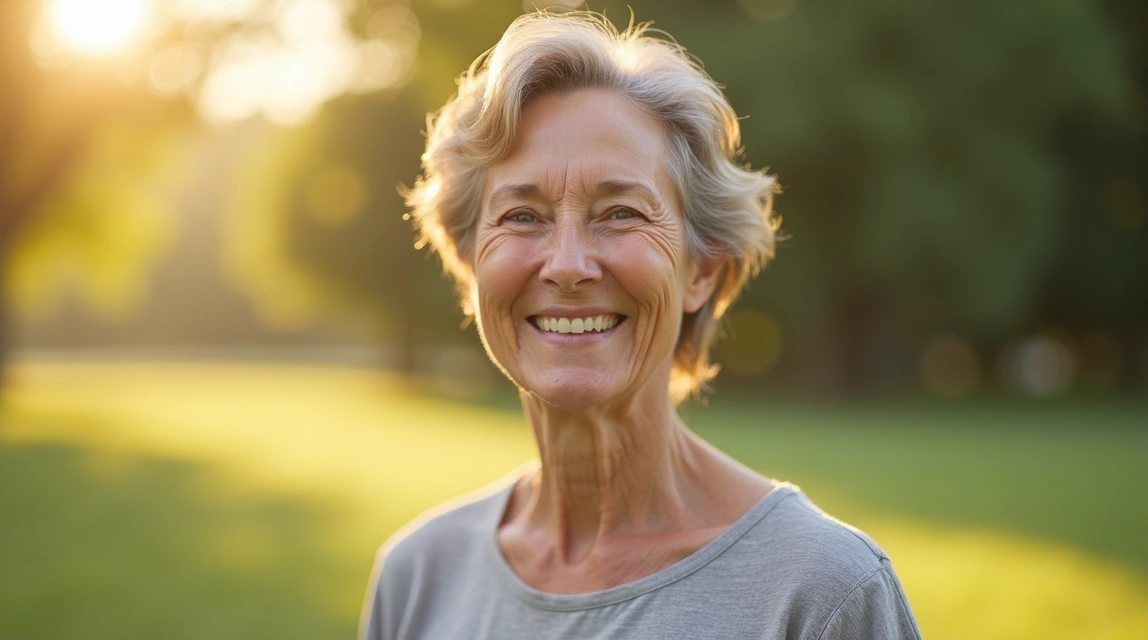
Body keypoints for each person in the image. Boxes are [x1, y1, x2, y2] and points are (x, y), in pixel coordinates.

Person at [361, 10, 921, 640]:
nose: (568, 265)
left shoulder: (821, 594)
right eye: (522, 216)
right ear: (469, 264)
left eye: (620, 213)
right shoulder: (418, 576)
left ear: (702, 269)